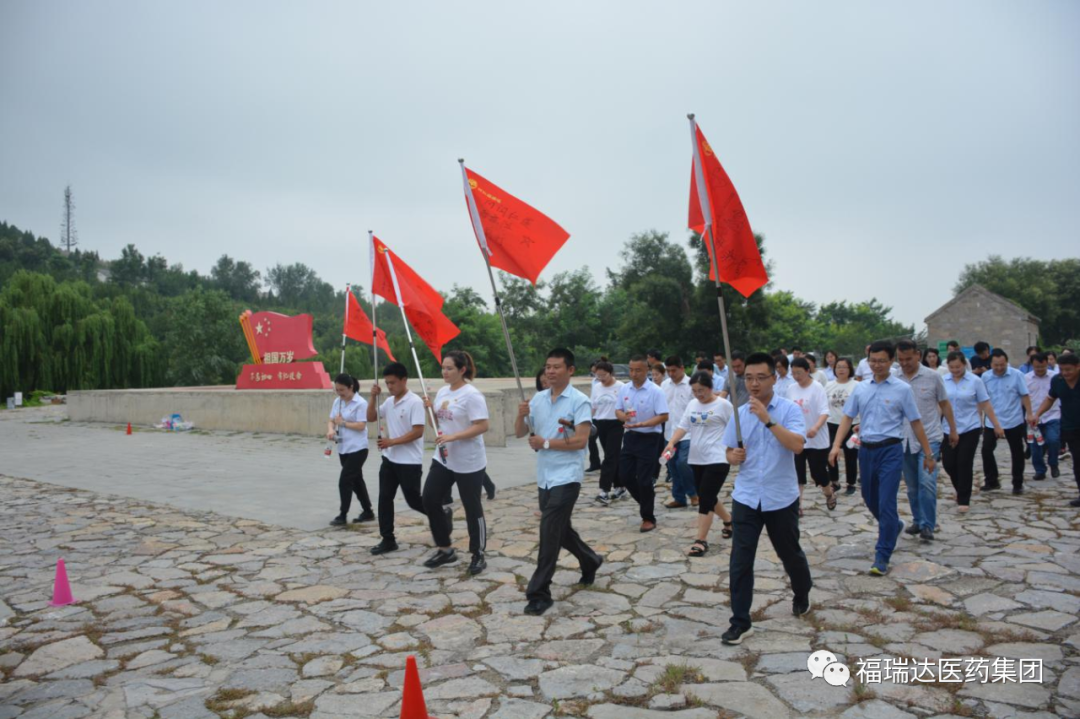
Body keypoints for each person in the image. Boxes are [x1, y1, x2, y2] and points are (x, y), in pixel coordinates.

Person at [721, 352, 812, 645]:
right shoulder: (738, 413)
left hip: (780, 498)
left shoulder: (788, 409)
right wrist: (732, 456)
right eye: (749, 378)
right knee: (740, 560)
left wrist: (768, 420)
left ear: (774, 378)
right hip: (746, 497)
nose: (754, 384)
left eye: (761, 377)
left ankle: (802, 591)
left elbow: (797, 445)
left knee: (790, 554)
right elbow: (728, 451)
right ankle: (740, 621)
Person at [829, 341, 934, 576]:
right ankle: (893, 526)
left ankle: (882, 555)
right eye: (872, 361)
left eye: (882, 361)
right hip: (866, 450)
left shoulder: (902, 389)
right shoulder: (861, 388)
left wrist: (928, 453)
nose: (877, 365)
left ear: (891, 362)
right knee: (869, 496)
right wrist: (836, 446)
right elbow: (847, 417)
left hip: (891, 450)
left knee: (887, 502)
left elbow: (915, 421)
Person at [516, 348, 603, 616]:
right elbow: (520, 433)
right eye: (547, 366)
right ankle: (590, 560)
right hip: (544, 477)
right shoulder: (539, 400)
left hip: (567, 476)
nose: (550, 371)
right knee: (561, 530)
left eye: (556, 367)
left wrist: (545, 442)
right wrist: (521, 415)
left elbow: (580, 440)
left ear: (570, 370)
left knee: (549, 532)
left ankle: (539, 592)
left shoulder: (580, 401)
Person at [421, 351, 491, 575]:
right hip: (443, 457)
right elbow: (438, 426)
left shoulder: (472, 395)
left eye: (449, 368)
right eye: (443, 367)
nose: (444, 372)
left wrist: (454, 436)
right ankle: (445, 549)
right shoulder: (442, 392)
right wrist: (429, 410)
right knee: (430, 498)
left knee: (472, 508)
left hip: (468, 460)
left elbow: (482, 426)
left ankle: (478, 553)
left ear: (462, 370)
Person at [663, 371, 734, 557]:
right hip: (696, 458)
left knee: (705, 498)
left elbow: (736, 429)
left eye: (701, 390)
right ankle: (729, 520)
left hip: (718, 458)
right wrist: (671, 442)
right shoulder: (692, 404)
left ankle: (700, 541)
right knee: (706, 494)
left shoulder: (724, 405)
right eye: (694, 391)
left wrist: (735, 450)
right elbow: (683, 426)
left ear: (710, 388)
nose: (698, 394)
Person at [895, 340, 957, 543]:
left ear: (918, 355)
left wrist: (952, 429)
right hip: (904, 439)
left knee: (927, 483)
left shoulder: (933, 377)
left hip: (930, 438)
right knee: (912, 485)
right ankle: (918, 519)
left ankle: (929, 525)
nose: (904, 363)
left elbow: (944, 404)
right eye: (900, 359)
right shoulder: (894, 378)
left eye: (908, 359)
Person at [367, 362, 432, 554]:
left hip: (409, 462)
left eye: (393, 383)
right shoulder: (388, 402)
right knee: (384, 498)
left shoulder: (414, 402)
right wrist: (372, 396)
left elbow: (418, 432)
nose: (390, 387)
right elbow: (370, 417)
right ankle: (388, 539)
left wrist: (391, 442)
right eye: (387, 383)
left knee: (414, 500)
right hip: (389, 460)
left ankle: (439, 513)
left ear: (404, 380)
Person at [940, 351, 1003, 514]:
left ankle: (964, 498)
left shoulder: (975, 381)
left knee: (964, 462)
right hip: (947, 428)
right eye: (952, 367)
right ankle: (959, 488)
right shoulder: (942, 381)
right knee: (949, 463)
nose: (955, 370)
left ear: (964, 365)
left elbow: (985, 404)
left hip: (970, 427)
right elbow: (938, 404)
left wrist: (996, 424)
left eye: (958, 367)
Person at [615, 355, 670, 533]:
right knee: (624, 475)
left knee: (645, 480)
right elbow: (618, 410)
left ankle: (648, 517)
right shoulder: (625, 389)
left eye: (638, 370)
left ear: (646, 370)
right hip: (630, 436)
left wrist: (644, 424)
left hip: (649, 438)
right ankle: (647, 501)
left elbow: (663, 415)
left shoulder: (655, 391)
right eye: (631, 369)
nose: (634, 373)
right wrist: (623, 417)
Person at [981, 349, 1034, 495]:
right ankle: (992, 480)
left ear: (1006, 362)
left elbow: (1024, 395)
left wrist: (1029, 413)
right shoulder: (985, 377)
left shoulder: (1017, 375)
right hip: (992, 421)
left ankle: (1017, 483)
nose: (999, 368)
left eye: (1002, 365)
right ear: (990, 364)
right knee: (986, 449)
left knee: (1017, 452)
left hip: (1013, 420)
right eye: (996, 365)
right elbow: (982, 399)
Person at [789, 358, 836, 514]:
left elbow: (824, 411)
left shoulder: (817, 388)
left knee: (818, 472)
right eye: (793, 373)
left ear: (808, 371)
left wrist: (815, 428)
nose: (796, 376)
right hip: (798, 438)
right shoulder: (791, 389)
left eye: (799, 373)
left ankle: (828, 493)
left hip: (817, 439)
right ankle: (798, 505)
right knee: (797, 472)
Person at [1032, 353, 1080, 507]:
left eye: (1069, 370)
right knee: (1078, 461)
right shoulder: (1058, 381)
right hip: (1070, 427)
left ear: (1078, 367)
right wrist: (1037, 414)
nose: (1065, 373)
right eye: (1062, 370)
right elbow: (1050, 398)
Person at [327, 373, 373, 526]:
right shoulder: (337, 402)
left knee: (345, 480)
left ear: (351, 387)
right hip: (343, 448)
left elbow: (361, 425)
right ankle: (368, 511)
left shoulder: (360, 403)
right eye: (337, 390)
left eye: (342, 390)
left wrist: (344, 423)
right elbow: (331, 420)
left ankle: (342, 514)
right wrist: (331, 430)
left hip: (358, 448)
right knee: (357, 480)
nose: (339, 393)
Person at [661, 356, 697, 509]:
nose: (671, 373)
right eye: (668, 371)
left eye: (673, 370)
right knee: (673, 466)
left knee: (683, 463)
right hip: (669, 434)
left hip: (688, 433)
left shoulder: (692, 385)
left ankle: (694, 493)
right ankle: (679, 498)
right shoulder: (663, 385)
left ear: (682, 368)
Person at [591, 359, 626, 504]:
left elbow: (626, 406)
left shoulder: (622, 387)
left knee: (610, 457)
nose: (601, 378)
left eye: (603, 375)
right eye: (598, 375)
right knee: (612, 456)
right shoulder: (596, 386)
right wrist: (587, 421)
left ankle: (604, 490)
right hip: (600, 423)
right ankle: (620, 486)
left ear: (610, 373)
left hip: (616, 424)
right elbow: (593, 406)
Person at [826, 358, 860, 495]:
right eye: (838, 367)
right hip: (832, 423)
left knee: (850, 454)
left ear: (850, 369)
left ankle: (851, 483)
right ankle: (834, 481)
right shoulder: (828, 385)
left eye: (844, 367)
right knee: (830, 452)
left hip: (852, 424)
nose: (841, 370)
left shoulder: (857, 385)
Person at [1026, 353, 1060, 481]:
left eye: (1042, 367)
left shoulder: (1055, 378)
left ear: (1047, 364)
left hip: (1052, 415)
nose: (1040, 370)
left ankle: (1053, 463)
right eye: (1037, 367)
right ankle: (1040, 470)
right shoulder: (1026, 379)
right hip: (1033, 418)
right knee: (1035, 447)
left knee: (1053, 440)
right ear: (1032, 366)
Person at [586, 360, 602, 474]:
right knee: (591, 439)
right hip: (595, 415)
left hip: (606, 417)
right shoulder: (594, 382)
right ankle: (595, 463)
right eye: (593, 372)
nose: (595, 374)